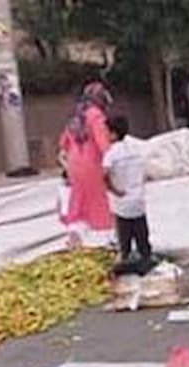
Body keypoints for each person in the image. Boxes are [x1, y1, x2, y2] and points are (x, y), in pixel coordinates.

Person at [58, 81, 114, 247]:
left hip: (74, 165)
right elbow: (103, 144)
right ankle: (104, 242)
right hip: (91, 164)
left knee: (79, 202)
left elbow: (63, 145)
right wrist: (111, 164)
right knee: (98, 203)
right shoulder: (96, 116)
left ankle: (75, 236)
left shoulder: (76, 116)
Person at [101, 115, 152, 272]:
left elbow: (104, 175)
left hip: (122, 203)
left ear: (114, 134)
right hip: (138, 200)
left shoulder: (112, 154)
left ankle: (127, 265)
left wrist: (113, 190)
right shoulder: (136, 147)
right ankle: (146, 262)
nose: (105, 135)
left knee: (125, 239)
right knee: (142, 236)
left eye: (106, 132)